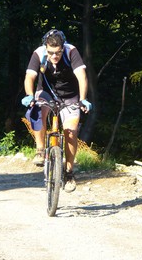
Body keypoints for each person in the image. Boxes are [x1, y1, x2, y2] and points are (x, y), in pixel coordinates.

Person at [21, 29, 92, 193]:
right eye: (51, 53)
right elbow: (29, 77)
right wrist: (29, 96)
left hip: (70, 96)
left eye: (58, 52)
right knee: (36, 111)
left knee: (71, 131)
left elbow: (82, 76)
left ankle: (69, 173)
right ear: (46, 48)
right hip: (45, 94)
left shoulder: (71, 51)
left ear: (62, 48)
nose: (54, 56)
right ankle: (40, 150)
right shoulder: (38, 53)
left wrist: (82, 99)